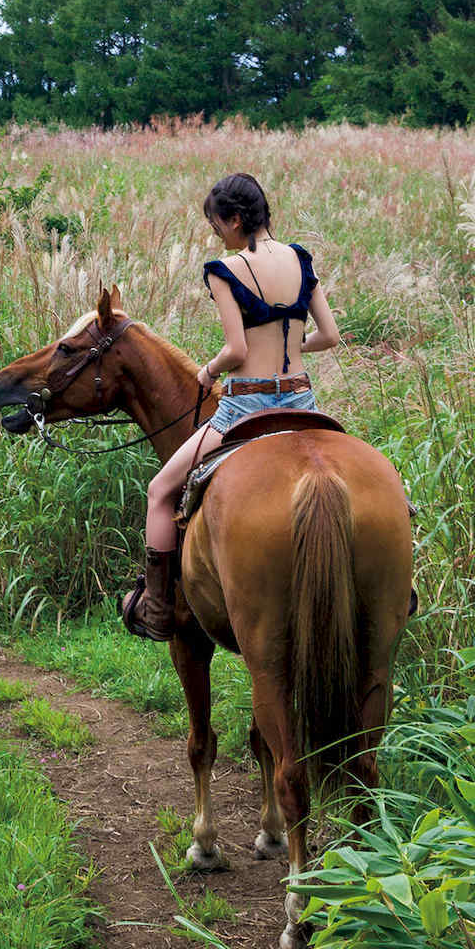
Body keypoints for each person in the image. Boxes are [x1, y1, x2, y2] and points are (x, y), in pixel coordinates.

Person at [122, 171, 340, 641]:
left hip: (247, 408)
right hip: (302, 398)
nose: (216, 234)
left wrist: (209, 370)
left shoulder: (225, 270)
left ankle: (159, 609)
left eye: (217, 225)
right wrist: (291, 341)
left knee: (160, 491)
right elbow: (331, 335)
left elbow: (237, 350)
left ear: (236, 220)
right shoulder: (301, 259)